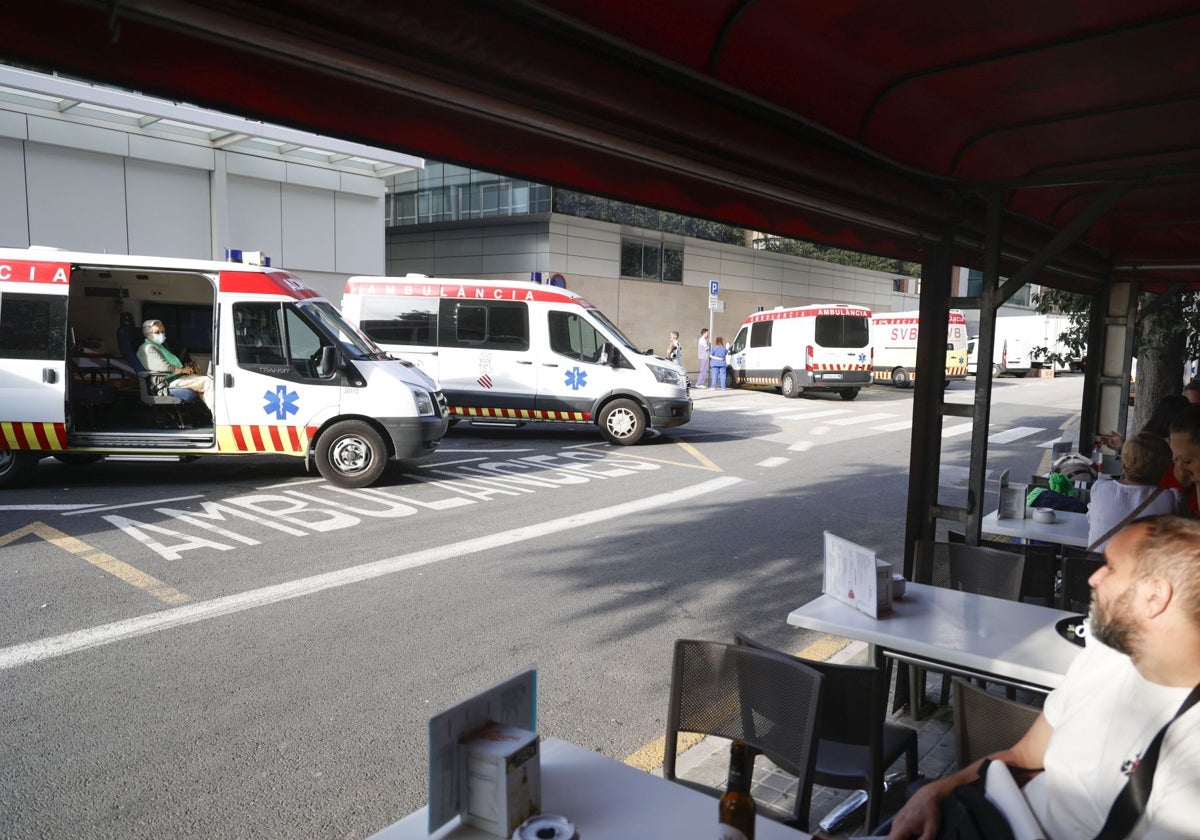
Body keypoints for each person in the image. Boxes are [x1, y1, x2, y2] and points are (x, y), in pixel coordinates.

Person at [888, 515, 1200, 840]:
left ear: (1155, 596)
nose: (1094, 578)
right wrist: (939, 789)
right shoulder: (1103, 656)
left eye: (1111, 567)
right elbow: (1022, 755)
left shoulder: (1191, 748)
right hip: (982, 813)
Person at [1087, 432, 1180, 551]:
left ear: (1124, 465)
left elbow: (1091, 519)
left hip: (1095, 567)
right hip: (1140, 569)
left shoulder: (1099, 488)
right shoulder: (1170, 498)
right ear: (1166, 469)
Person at [136, 319, 215, 416]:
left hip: (178, 378)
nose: (161, 334)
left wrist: (186, 369)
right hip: (168, 382)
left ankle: (210, 413)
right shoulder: (147, 348)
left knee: (208, 382)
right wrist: (182, 370)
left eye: (163, 332)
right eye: (157, 332)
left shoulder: (160, 346)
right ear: (148, 334)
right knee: (209, 381)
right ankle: (219, 416)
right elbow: (164, 367)